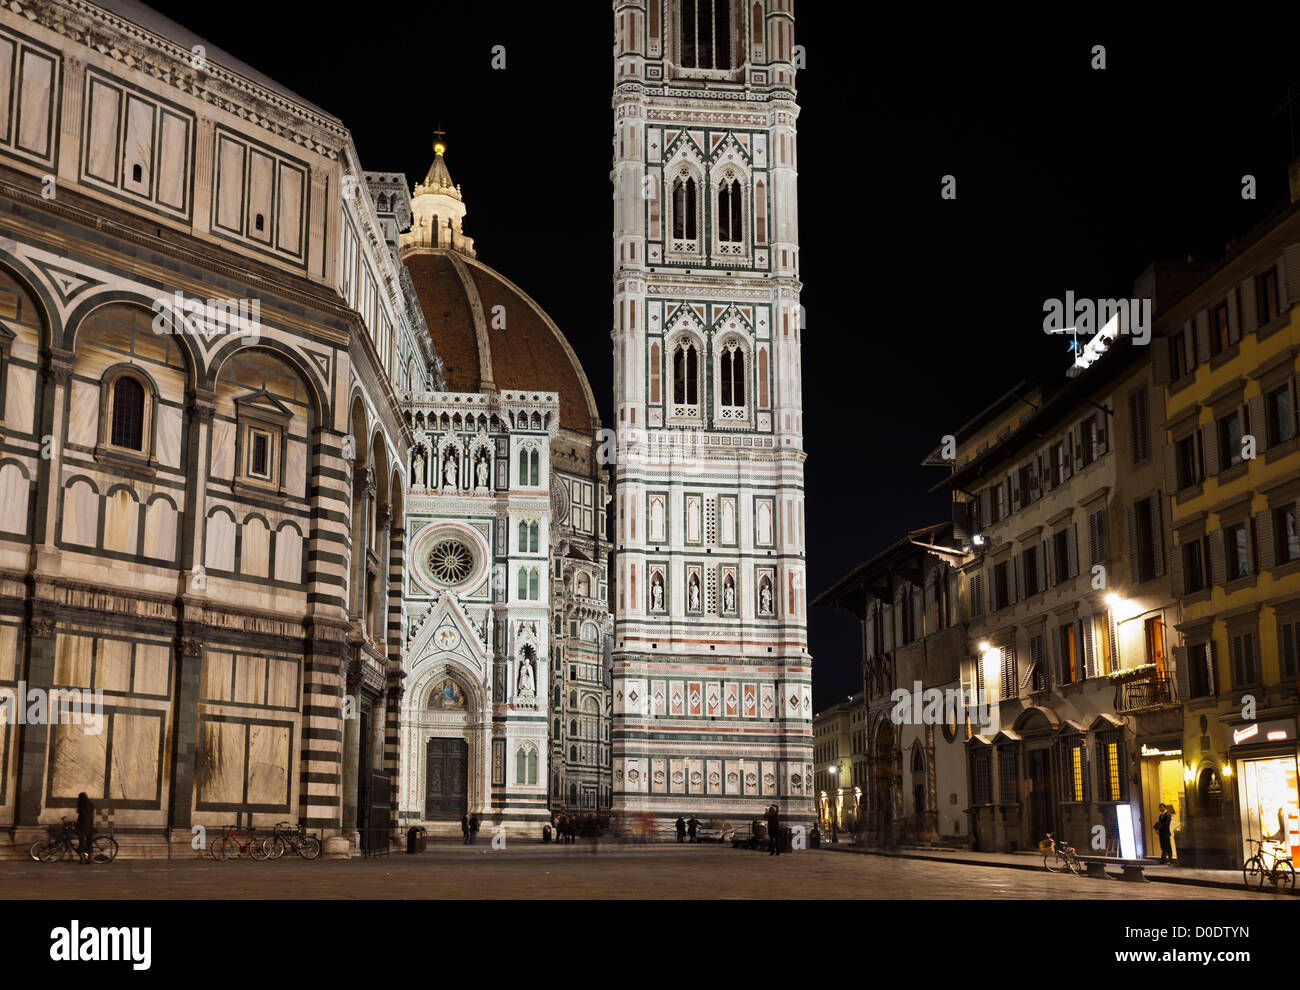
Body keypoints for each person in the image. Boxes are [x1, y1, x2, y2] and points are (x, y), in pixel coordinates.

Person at [75, 792, 94, 864]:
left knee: (81, 843)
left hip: (82, 828)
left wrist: (76, 825)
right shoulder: (90, 806)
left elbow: (81, 818)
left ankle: (82, 859)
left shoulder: (81, 807)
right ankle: (90, 859)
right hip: (90, 827)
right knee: (89, 843)